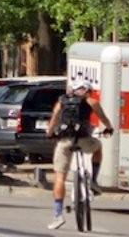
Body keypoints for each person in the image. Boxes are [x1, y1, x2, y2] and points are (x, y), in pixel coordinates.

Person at [48, 77, 116, 230]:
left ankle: (58, 215)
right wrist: (109, 128)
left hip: (65, 141)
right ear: (85, 90)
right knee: (98, 147)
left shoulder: (62, 101)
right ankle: (93, 181)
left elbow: (53, 120)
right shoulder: (91, 101)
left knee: (60, 178)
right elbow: (103, 118)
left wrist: (50, 134)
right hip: (84, 140)